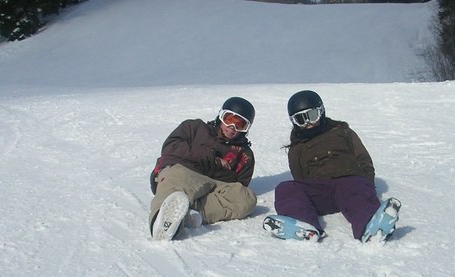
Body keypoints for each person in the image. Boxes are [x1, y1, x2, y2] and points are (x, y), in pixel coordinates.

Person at [263, 90, 400, 243]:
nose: (308, 123)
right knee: (285, 187)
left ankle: (371, 226)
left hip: (349, 183)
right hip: (320, 190)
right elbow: (299, 176)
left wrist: (365, 183)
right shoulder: (297, 148)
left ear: (321, 112)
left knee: (357, 189)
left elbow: (363, 159)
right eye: (301, 119)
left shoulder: (342, 132)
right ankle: (302, 225)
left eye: (312, 115)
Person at [149, 96, 257, 240]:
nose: (232, 128)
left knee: (246, 198)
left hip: (213, 185)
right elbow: (170, 147)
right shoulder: (195, 128)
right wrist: (212, 159)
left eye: (240, 125)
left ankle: (189, 213)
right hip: (183, 172)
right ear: (221, 116)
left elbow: (238, 186)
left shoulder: (244, 155)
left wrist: (219, 170)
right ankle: (160, 223)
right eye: (229, 119)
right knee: (176, 178)